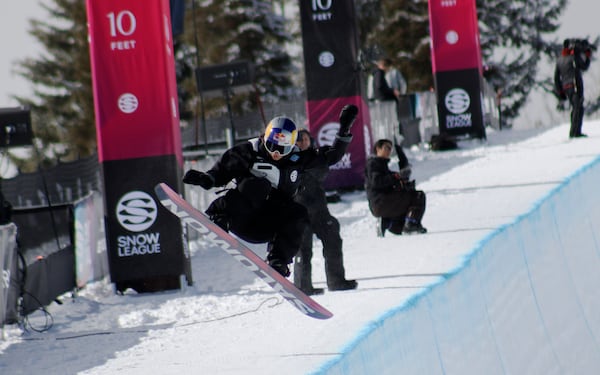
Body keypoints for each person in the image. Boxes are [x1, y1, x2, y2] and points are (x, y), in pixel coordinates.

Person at [182, 105, 359, 278]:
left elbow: (332, 156)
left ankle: (278, 260)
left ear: (291, 146)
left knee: (299, 212)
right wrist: (206, 179)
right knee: (259, 185)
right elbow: (221, 172)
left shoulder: (299, 159)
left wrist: (344, 128)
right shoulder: (248, 151)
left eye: (282, 149)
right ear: (265, 138)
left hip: (266, 226)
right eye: (272, 146)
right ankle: (219, 215)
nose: (275, 153)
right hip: (239, 217)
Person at [292, 129, 357, 295]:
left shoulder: (319, 156)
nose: (303, 142)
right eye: (299, 140)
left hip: (320, 211)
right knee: (303, 249)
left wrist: (344, 133)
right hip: (300, 213)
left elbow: (334, 156)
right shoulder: (288, 161)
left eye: (305, 139)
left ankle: (337, 281)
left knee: (333, 241)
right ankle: (302, 287)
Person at [365, 139, 427, 237]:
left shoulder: (382, 165)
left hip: (382, 204)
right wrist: (397, 177)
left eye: (390, 148)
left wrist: (403, 182)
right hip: (380, 202)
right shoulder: (373, 164)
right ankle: (411, 224)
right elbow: (377, 182)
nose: (389, 150)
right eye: (386, 147)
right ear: (378, 148)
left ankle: (386, 223)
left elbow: (391, 180)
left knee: (400, 228)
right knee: (418, 196)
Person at [554, 38, 592, 138]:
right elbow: (584, 66)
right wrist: (587, 57)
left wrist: (560, 92)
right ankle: (575, 132)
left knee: (576, 107)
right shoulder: (573, 58)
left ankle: (574, 131)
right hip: (575, 86)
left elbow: (556, 78)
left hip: (566, 88)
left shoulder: (559, 60)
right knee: (578, 108)